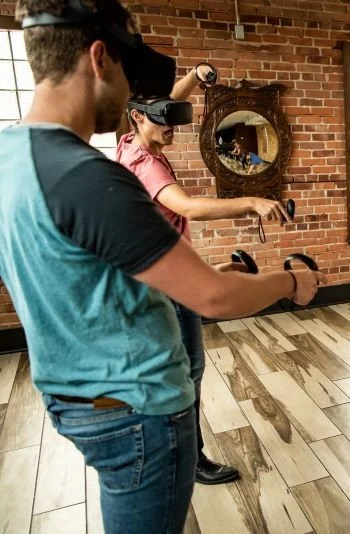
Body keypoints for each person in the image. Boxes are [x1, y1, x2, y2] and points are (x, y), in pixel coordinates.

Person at [0, 1, 323, 532]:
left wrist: (195, 78)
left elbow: (89, 275)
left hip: (75, 397)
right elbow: (213, 299)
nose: (133, 96)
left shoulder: (15, 158)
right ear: (99, 58)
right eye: (129, 74)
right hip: (137, 412)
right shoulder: (90, 179)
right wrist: (293, 280)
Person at [117, 64, 290, 485]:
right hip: (167, 285)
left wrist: (194, 76)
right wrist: (252, 202)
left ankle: (166, 454)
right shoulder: (147, 164)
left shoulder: (127, 144)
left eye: (173, 116)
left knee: (170, 372)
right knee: (188, 372)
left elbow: (164, 105)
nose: (173, 126)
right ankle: (187, 460)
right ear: (138, 117)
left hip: (155, 274)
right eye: (164, 119)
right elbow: (188, 208)